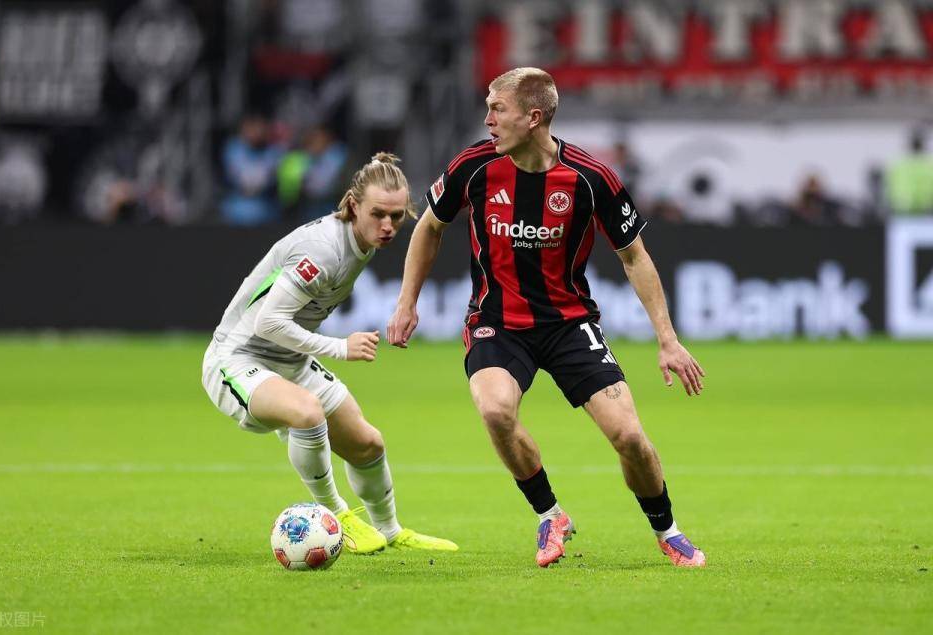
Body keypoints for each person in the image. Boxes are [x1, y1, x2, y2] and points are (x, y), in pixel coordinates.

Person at [387, 68, 706, 568]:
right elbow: (429, 227)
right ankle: (550, 515)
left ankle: (668, 531)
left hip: (569, 324)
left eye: (498, 109)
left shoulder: (590, 177)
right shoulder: (474, 165)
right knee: (496, 411)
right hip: (496, 322)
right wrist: (407, 301)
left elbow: (634, 257)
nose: (488, 120)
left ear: (533, 117)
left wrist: (667, 339)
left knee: (629, 437)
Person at [203, 153, 457, 555]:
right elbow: (268, 322)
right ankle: (337, 516)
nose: (388, 226)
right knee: (307, 413)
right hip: (238, 359)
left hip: (290, 359)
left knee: (367, 444)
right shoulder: (322, 250)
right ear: (353, 205)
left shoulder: (362, 241)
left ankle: (391, 532)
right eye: (378, 214)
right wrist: (340, 346)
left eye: (396, 216)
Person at [885, 128, 933, 216]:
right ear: (923, 144)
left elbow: (888, 189)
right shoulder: (929, 165)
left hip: (902, 211)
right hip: (927, 212)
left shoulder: (898, 165)